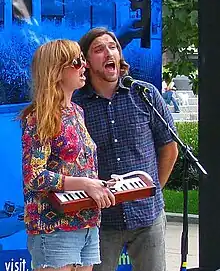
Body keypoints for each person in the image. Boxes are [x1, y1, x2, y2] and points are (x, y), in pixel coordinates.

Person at [73, 27, 179, 271]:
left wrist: (151, 190)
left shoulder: (145, 94)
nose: (109, 52)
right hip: (100, 220)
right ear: (86, 62)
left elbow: (169, 148)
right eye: (99, 49)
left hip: (148, 217)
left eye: (113, 47)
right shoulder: (76, 105)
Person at [20, 39, 116, 271]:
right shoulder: (40, 116)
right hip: (54, 227)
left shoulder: (77, 111)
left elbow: (78, 166)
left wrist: (100, 184)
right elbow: (34, 176)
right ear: (56, 70)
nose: (84, 65)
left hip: (87, 222)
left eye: (83, 60)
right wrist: (85, 184)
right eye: (77, 62)